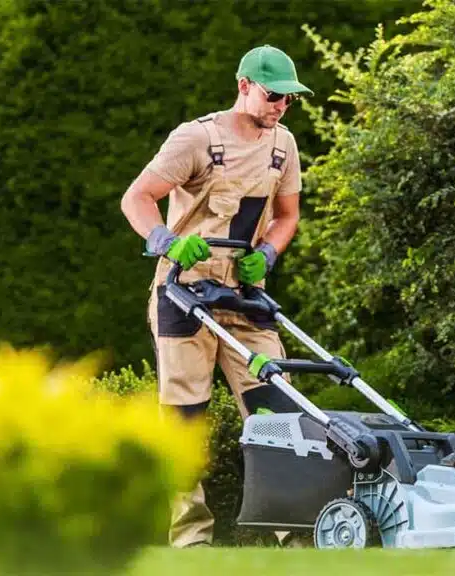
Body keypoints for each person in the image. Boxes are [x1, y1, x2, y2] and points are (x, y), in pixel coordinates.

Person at [120, 44, 312, 548]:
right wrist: (165, 241)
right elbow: (136, 198)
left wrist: (267, 253)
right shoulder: (196, 138)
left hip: (244, 294)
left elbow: (287, 215)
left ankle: (292, 533)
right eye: (273, 96)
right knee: (185, 418)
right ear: (244, 85)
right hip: (184, 290)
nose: (281, 107)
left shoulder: (283, 145)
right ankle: (191, 539)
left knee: (276, 411)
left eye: (289, 100)